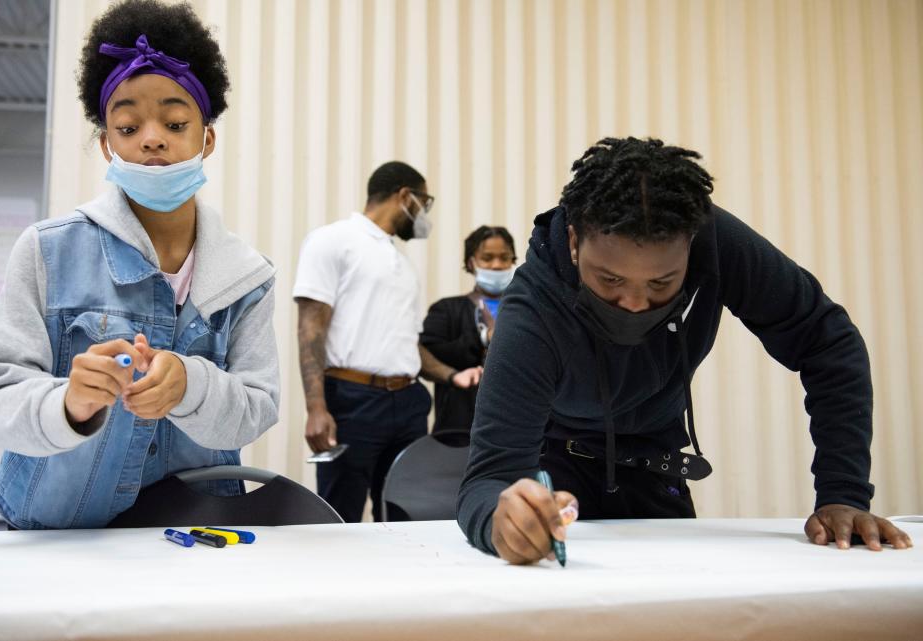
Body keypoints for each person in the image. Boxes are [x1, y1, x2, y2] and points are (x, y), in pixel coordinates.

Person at [457, 137, 913, 563]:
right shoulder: (534, 306)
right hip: (552, 471)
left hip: (656, 462)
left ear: (691, 249)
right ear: (575, 243)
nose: (634, 304)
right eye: (610, 280)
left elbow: (827, 340)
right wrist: (500, 523)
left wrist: (843, 493)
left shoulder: (715, 243)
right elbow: (487, 480)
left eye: (661, 283)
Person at [0, 0, 280, 529]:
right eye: (128, 128)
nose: (152, 137)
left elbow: (258, 407)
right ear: (107, 146)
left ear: (207, 138)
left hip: (192, 533)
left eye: (175, 121)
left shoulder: (247, 277)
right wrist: (69, 404)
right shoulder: (48, 251)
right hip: (59, 534)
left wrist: (191, 385)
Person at [294, 161, 478, 522]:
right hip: (353, 402)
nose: (425, 215)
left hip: (408, 404)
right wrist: (316, 408)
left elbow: (406, 345)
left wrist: (451, 375)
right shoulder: (333, 240)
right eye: (425, 203)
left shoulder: (401, 264)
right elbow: (310, 328)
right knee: (340, 515)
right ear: (405, 196)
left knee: (405, 512)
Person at [419, 226, 517, 434]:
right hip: (460, 427)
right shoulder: (447, 309)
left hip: (518, 423)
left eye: (504, 258)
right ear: (472, 263)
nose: (497, 265)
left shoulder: (527, 310)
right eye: (487, 258)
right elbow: (428, 355)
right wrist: (481, 338)